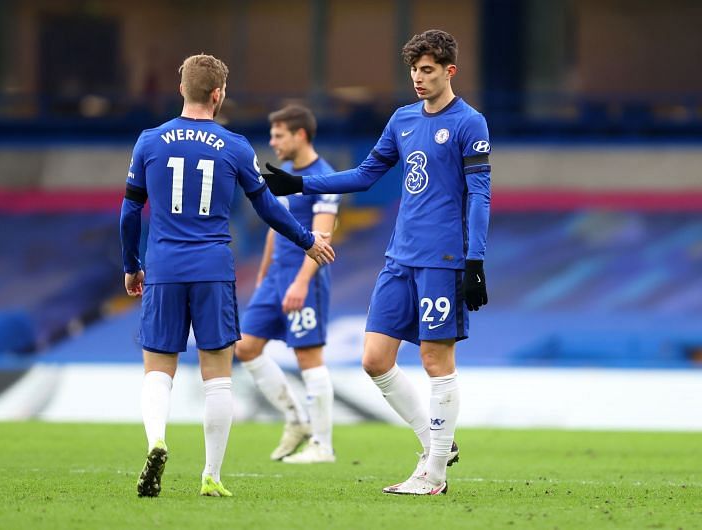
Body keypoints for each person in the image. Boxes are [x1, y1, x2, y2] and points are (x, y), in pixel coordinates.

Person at [262, 29, 490, 495]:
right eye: (414, 70)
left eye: (428, 70)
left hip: (443, 259)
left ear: (450, 71)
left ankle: (434, 475)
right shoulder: (403, 119)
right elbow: (366, 175)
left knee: (434, 358)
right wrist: (302, 185)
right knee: (374, 358)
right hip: (399, 256)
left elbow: (480, 195)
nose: (419, 79)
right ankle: (436, 444)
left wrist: (475, 261)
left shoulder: (470, 123)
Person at [120, 54, 335, 499]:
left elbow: (129, 212)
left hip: (163, 267)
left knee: (158, 371)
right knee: (217, 375)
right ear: (218, 94)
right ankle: (211, 475)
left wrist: (130, 265)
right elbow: (269, 208)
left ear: (182, 90)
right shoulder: (235, 146)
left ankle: (157, 440)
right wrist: (307, 239)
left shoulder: (149, 141)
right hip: (213, 269)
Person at [235, 105, 340, 464]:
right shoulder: (286, 175)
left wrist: (299, 282)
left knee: (308, 356)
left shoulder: (323, 178)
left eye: (279, 135)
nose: (272, 142)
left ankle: (323, 445)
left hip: (303, 278)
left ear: (300, 135)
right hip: (276, 276)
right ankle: (296, 419)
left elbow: (323, 236)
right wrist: (264, 273)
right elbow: (274, 226)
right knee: (246, 347)